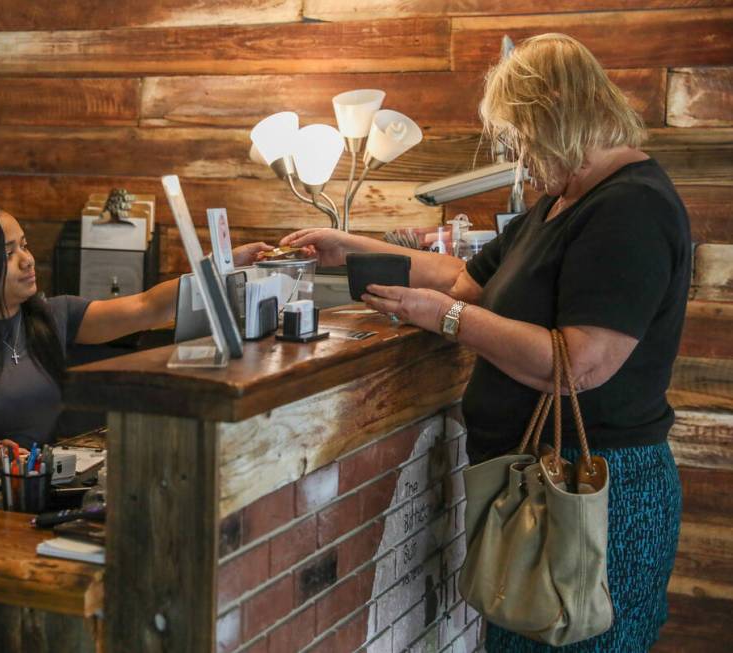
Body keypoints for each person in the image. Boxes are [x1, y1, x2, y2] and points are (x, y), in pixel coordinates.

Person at [282, 33, 689, 652]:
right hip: (532, 485)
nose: (518, 153)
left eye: (520, 135)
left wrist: (447, 320)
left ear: (556, 111)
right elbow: (466, 280)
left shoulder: (631, 208)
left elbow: (579, 363)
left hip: (595, 490)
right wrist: (355, 247)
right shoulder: (560, 201)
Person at [0, 200, 270, 470]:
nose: (28, 259)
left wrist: (223, 265)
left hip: (42, 480)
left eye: (24, 244)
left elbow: (147, 307)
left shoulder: (54, 315)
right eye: (8, 253)